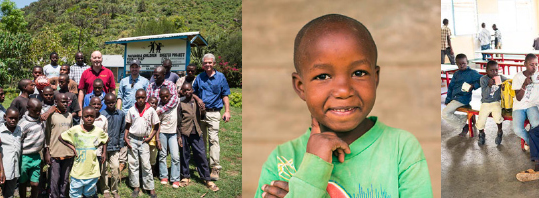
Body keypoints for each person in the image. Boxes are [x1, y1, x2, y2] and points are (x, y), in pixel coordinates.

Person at [257, 14, 432, 198]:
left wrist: (304, 190)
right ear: (301, 87)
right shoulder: (283, 158)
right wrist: (313, 167)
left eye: (358, 73)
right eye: (323, 76)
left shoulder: (401, 148)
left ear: (375, 78)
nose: (343, 90)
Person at [194, 53, 232, 178]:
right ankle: (203, 164)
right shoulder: (199, 77)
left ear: (214, 64)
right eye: (205, 63)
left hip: (214, 113)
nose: (207, 65)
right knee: (201, 139)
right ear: (202, 65)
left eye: (210, 62)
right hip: (201, 114)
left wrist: (227, 111)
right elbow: (192, 92)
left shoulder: (221, 77)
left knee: (213, 139)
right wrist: (198, 99)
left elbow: (225, 95)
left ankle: (215, 167)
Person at [511, 54, 539, 151]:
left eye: (536, 64)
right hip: (519, 106)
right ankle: (531, 141)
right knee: (517, 129)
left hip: (532, 105)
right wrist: (524, 84)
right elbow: (518, 98)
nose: (534, 67)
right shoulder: (518, 77)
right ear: (525, 64)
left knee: (536, 124)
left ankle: (532, 141)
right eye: (531, 64)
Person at [61, 107, 108, 198]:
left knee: (89, 194)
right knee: (75, 194)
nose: (89, 118)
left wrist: (103, 151)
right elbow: (61, 137)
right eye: (86, 116)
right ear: (82, 117)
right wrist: (73, 148)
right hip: (78, 171)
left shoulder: (98, 131)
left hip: (92, 171)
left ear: (95, 117)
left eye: (92, 116)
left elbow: (106, 139)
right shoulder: (75, 129)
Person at [177, 83, 215, 190]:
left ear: (192, 90)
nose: (187, 92)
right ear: (182, 92)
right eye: (184, 91)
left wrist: (203, 110)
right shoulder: (181, 104)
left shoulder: (198, 103)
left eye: (189, 90)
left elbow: (202, 116)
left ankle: (206, 178)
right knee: (184, 155)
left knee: (201, 155)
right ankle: (185, 176)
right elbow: (178, 122)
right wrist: (179, 136)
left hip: (196, 133)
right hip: (184, 133)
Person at [125, 90, 159, 198]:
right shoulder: (131, 110)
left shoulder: (151, 110)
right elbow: (128, 125)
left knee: (146, 164)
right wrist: (126, 137)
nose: (140, 100)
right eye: (138, 97)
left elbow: (156, 125)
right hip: (133, 139)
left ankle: (150, 188)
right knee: (133, 163)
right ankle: (136, 187)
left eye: (143, 97)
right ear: (135, 97)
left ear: (146, 98)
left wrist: (150, 137)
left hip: (144, 140)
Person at [45, 92, 77, 198]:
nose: (65, 104)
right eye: (63, 102)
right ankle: (54, 195)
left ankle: (63, 195)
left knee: (65, 178)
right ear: (56, 102)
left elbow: (71, 134)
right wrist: (47, 151)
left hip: (68, 152)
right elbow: (47, 134)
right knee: (55, 178)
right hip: (55, 152)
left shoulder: (69, 116)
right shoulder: (52, 116)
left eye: (67, 102)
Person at [442, 54, 481, 137]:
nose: (462, 65)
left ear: (467, 62)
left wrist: (473, 86)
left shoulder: (472, 73)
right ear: (456, 64)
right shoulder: (456, 74)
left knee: (445, 113)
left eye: (464, 63)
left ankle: (464, 126)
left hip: (463, 98)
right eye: (459, 64)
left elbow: (482, 79)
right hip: (455, 98)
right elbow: (451, 87)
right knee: (448, 112)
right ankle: (465, 118)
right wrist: (448, 99)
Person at [98, 94, 127, 197]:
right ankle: (105, 189)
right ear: (105, 103)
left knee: (115, 168)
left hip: (115, 146)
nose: (111, 104)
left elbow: (122, 130)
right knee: (104, 170)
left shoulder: (121, 114)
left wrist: (120, 143)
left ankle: (114, 189)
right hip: (103, 148)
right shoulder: (102, 115)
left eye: (113, 102)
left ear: (116, 102)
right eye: (108, 102)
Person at [18, 99, 46, 198]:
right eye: (35, 111)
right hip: (24, 156)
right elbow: (18, 140)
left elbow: (53, 108)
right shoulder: (23, 123)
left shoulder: (41, 118)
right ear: (28, 109)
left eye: (40, 110)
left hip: (36, 156)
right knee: (23, 182)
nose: (38, 113)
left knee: (35, 183)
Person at [476, 60, 508, 145]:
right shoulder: (483, 79)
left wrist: (505, 84)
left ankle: (500, 131)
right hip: (485, 103)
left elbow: (509, 81)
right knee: (480, 121)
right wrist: (489, 85)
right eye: (492, 70)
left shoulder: (499, 77)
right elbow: (485, 95)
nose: (494, 72)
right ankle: (481, 133)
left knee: (498, 117)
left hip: (495, 102)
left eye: (496, 70)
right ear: (487, 71)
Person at [155, 88, 181, 188]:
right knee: (162, 155)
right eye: (163, 96)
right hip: (163, 133)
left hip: (173, 134)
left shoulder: (175, 104)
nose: (165, 98)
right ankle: (164, 176)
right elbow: (158, 125)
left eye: (167, 96)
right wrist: (158, 139)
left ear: (170, 95)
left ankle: (175, 178)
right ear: (160, 97)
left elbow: (179, 96)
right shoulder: (159, 108)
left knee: (175, 156)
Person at [0, 109, 24, 198]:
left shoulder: (19, 130)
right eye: (10, 118)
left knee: (10, 192)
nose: (13, 120)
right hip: (3, 168)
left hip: (15, 167)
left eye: (15, 118)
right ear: (5, 117)